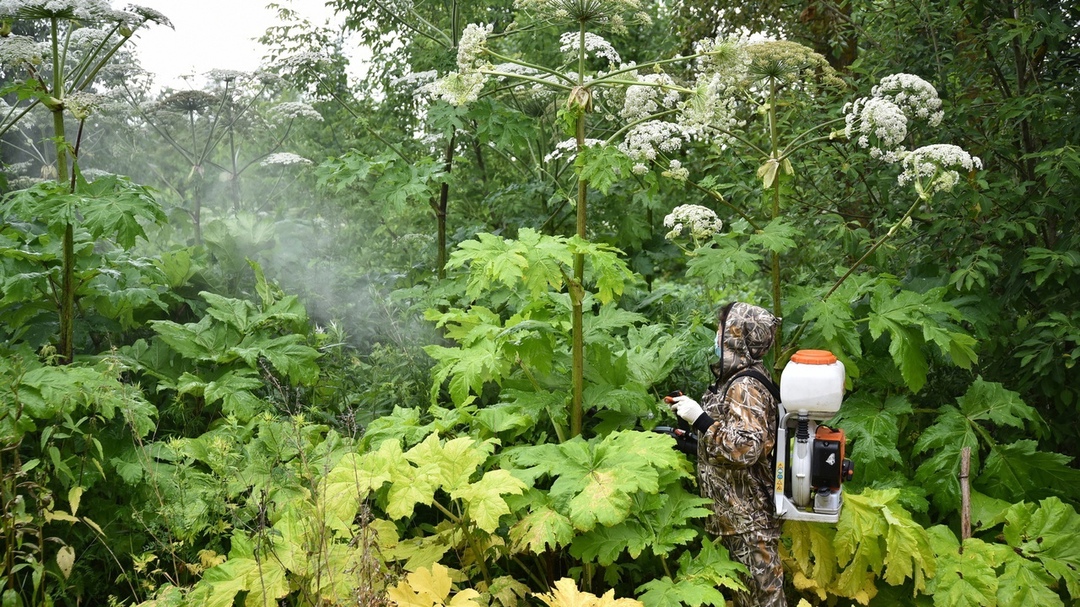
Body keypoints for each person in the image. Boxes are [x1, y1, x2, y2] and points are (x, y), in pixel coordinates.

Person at [667, 302, 786, 607]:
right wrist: (691, 438)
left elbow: (746, 448)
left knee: (764, 601)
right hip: (737, 516)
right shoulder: (738, 378)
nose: (717, 335)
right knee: (748, 599)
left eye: (722, 329)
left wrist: (701, 420)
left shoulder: (745, 385)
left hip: (749, 516)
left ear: (736, 336)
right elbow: (732, 437)